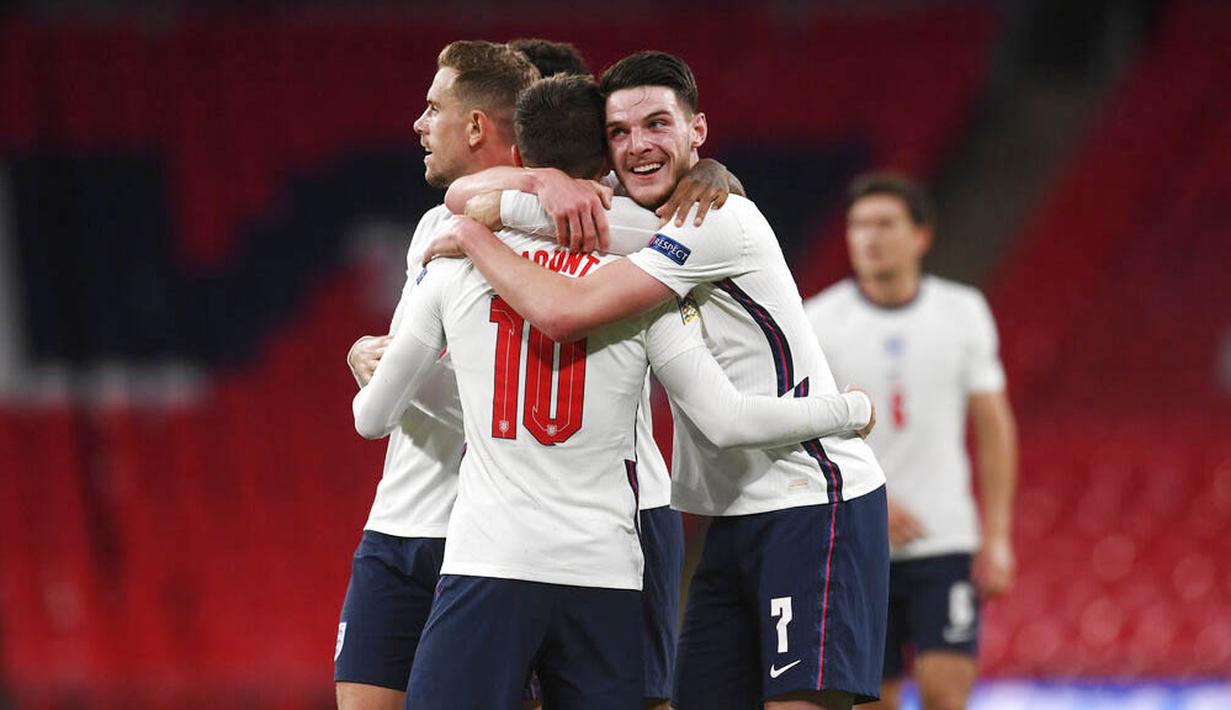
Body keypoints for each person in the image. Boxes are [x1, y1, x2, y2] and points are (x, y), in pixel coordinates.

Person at [354, 73, 878, 710]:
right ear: (602, 161)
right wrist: (851, 406)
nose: (638, 146)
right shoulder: (637, 267)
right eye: (620, 132)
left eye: (657, 124)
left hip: (794, 493)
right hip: (621, 553)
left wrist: (469, 237)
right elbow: (721, 414)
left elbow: (375, 414)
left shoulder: (459, 257)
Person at [333, 40, 539, 710]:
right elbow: (423, 354)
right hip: (396, 525)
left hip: (488, 541)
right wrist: (368, 353)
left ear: (476, 126)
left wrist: (398, 375)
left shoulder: (559, 236)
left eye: (433, 108)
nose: (420, 124)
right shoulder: (431, 227)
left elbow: (515, 403)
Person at [802, 173, 1018, 710]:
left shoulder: (962, 312)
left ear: (920, 235)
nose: (869, 237)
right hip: (858, 541)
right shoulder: (819, 321)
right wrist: (871, 496)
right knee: (876, 700)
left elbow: (993, 427)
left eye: (884, 223)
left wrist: (996, 536)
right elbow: (805, 437)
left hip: (943, 540)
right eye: (858, 225)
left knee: (948, 695)